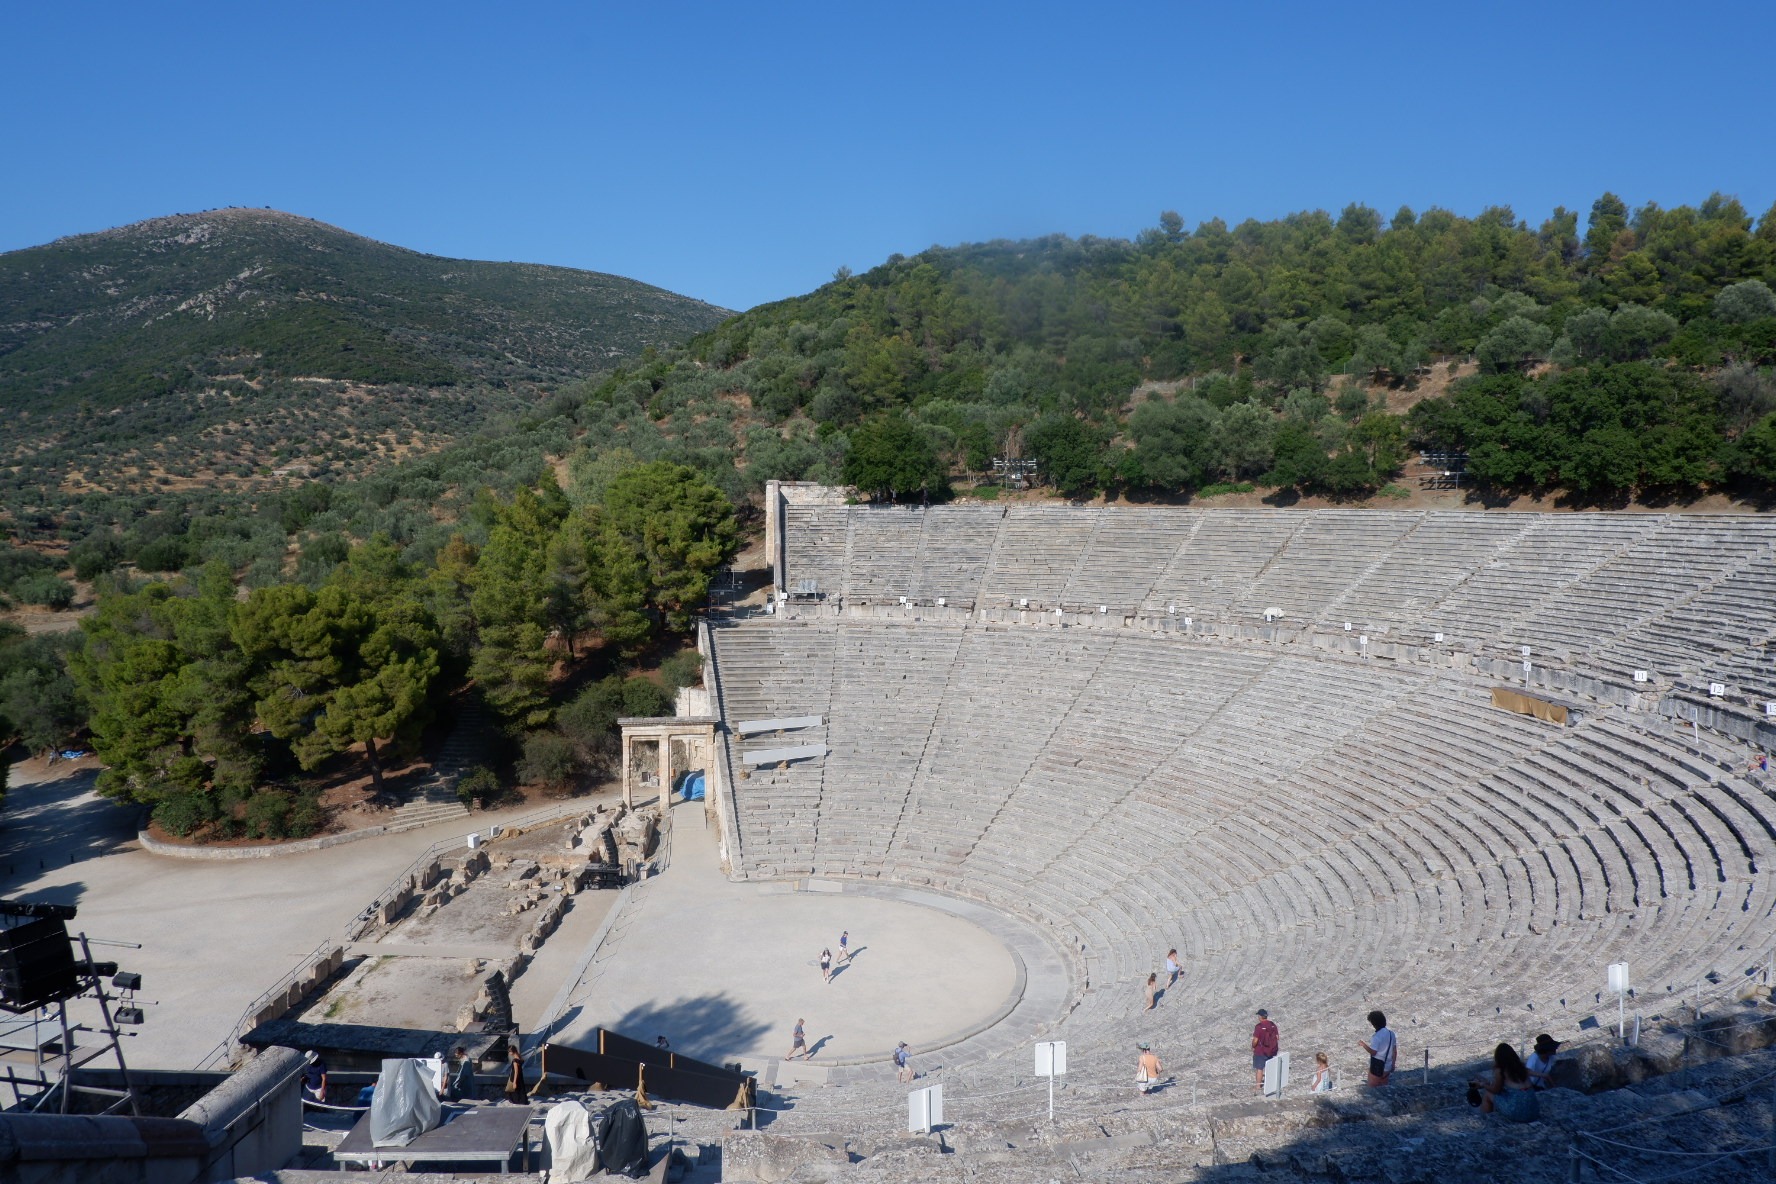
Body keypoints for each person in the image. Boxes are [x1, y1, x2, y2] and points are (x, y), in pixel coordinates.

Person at [1473, 1043, 1539, 1122]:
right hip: (1533, 1112)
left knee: (1488, 1094)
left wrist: (1482, 1084)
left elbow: (1495, 1090)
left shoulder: (1501, 1070)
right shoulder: (1521, 1067)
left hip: (1516, 1112)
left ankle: (1484, 1120)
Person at [1358, 1010, 1396, 1086]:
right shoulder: (1391, 1033)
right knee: (1384, 1087)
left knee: (1372, 1087)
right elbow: (1394, 1050)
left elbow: (1373, 1052)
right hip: (1387, 1065)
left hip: (1377, 1065)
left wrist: (1363, 1045)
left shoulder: (1376, 1036)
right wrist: (1393, 1064)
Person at [1252, 1009, 1279, 1093]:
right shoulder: (1272, 1025)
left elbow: (1255, 1040)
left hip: (1260, 1050)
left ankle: (1258, 1086)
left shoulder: (1259, 1027)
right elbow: (1277, 1037)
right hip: (1271, 1050)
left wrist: (1253, 1046)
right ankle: (1270, 1085)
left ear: (1260, 1017)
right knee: (1270, 1067)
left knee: (1259, 1069)